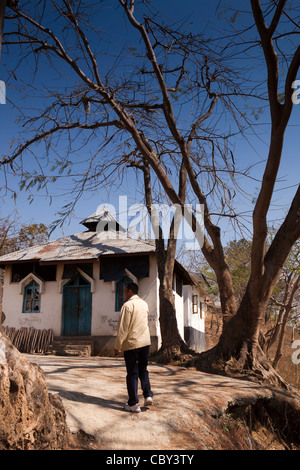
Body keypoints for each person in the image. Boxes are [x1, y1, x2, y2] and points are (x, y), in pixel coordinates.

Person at [114, 282, 154, 413]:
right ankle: (148, 395)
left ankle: (133, 403)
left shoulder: (127, 305)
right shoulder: (144, 304)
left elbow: (123, 328)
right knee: (143, 370)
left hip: (132, 344)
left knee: (132, 373)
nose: (124, 293)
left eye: (125, 290)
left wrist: (118, 345)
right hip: (145, 342)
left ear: (130, 291)